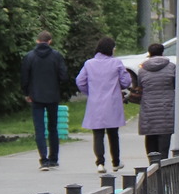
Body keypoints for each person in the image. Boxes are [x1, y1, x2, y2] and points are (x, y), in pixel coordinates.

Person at [75, 36, 133, 173]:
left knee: (98, 133)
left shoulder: (89, 64)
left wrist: (90, 91)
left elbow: (80, 81)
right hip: (113, 102)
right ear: (110, 49)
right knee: (113, 134)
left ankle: (100, 163)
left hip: (95, 102)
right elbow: (126, 82)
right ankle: (116, 162)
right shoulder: (116, 63)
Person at [21, 30, 68, 171]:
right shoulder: (56, 56)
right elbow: (64, 76)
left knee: (39, 128)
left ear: (37, 41)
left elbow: (24, 77)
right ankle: (54, 158)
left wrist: (26, 93)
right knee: (53, 128)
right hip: (52, 96)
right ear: (50, 41)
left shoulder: (29, 57)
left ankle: (43, 160)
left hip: (35, 96)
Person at [136, 42, 176, 159]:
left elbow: (140, 86)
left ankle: (152, 164)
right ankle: (163, 164)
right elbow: (175, 85)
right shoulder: (172, 67)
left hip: (148, 109)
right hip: (166, 108)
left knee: (150, 135)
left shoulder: (142, 70)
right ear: (162, 53)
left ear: (149, 53)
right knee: (164, 136)